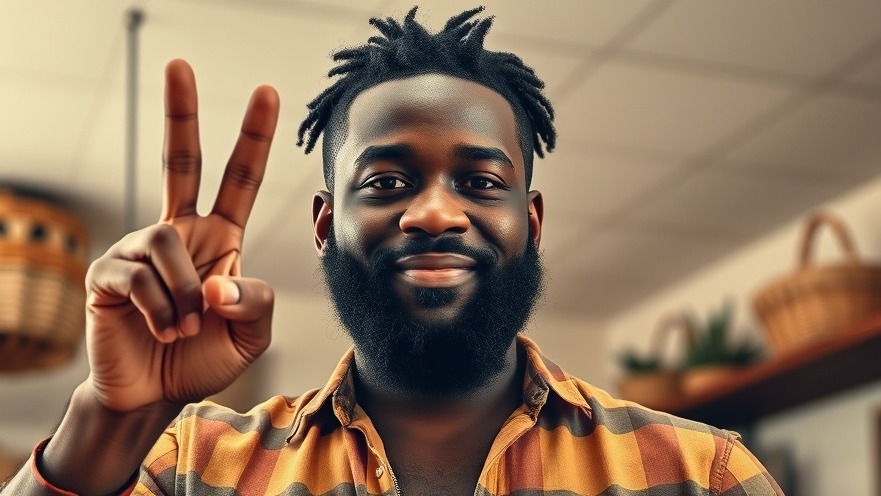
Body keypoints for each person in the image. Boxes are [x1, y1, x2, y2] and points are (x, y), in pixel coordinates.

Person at [2, 6, 783, 496]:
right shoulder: (194, 469)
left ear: (531, 222)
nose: (436, 212)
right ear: (323, 224)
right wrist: (109, 418)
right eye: (385, 181)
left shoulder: (696, 474)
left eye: (480, 182)